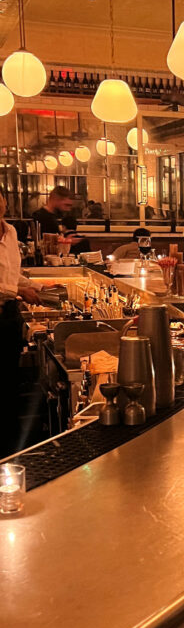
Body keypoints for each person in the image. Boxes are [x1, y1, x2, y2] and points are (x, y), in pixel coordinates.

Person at [0, 192, 39, 457]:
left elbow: (12, 272)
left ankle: (11, 446)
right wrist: (17, 291)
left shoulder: (11, 232)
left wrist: (33, 285)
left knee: (8, 380)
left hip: (8, 316)